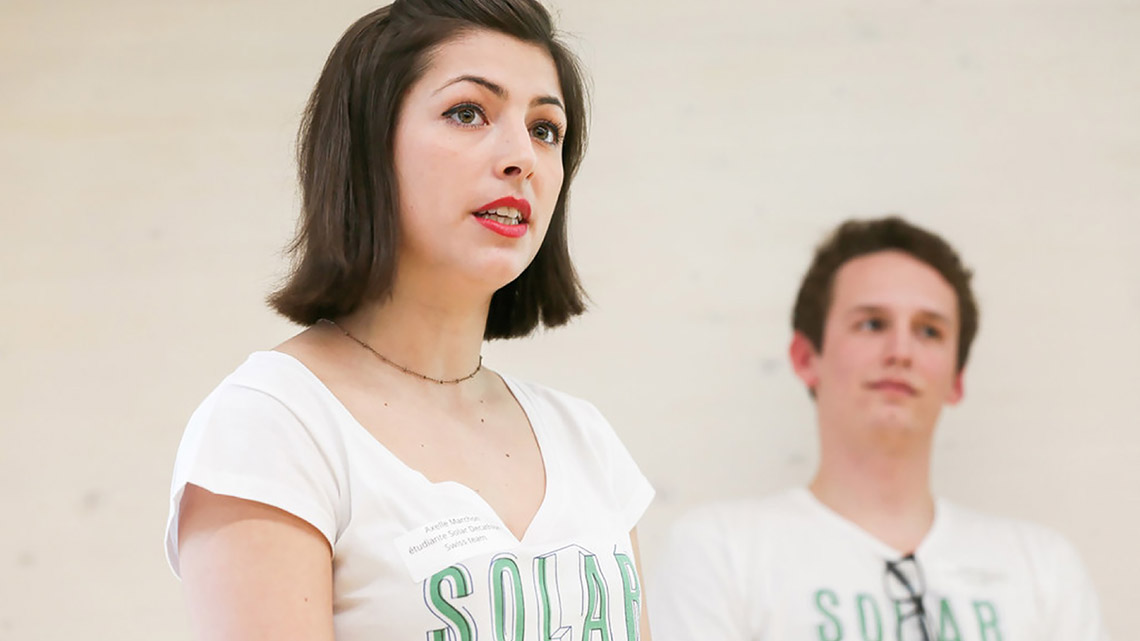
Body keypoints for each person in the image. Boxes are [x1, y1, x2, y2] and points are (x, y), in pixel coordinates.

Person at [163, 2, 654, 640]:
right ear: (368, 144)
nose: (521, 158)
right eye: (468, 113)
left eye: (544, 129)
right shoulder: (274, 425)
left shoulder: (584, 439)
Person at [651, 216, 1109, 641]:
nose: (901, 351)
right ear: (806, 358)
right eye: (872, 324)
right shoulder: (721, 551)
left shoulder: (1045, 568)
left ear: (956, 379)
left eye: (929, 331)